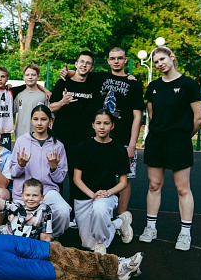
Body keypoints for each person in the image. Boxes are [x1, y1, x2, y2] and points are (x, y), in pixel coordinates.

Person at [60, 47, 144, 215]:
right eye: (112, 58)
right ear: (108, 61)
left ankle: (121, 218)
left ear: (125, 60)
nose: (116, 61)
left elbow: (137, 116)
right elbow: (80, 74)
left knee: (124, 178)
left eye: (119, 58)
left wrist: (132, 144)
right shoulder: (100, 77)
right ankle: (95, 209)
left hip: (123, 138)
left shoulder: (134, 84)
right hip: (100, 137)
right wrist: (67, 72)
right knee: (96, 174)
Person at [140, 46, 201, 251]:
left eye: (162, 59)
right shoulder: (153, 86)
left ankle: (185, 233)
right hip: (156, 141)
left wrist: (183, 137)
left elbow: (199, 117)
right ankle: (151, 228)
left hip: (179, 142)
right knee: (154, 185)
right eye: (156, 62)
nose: (159, 64)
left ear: (172, 57)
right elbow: (152, 115)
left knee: (182, 188)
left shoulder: (188, 84)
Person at [73, 110, 133, 255]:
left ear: (112, 126)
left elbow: (123, 182)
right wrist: (93, 195)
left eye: (106, 123)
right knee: (87, 244)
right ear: (93, 125)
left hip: (107, 197)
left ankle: (101, 243)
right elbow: (76, 179)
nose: (102, 127)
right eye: (98, 123)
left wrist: (107, 193)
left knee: (99, 210)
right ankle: (119, 223)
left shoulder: (119, 149)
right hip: (85, 196)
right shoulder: (83, 147)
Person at [9, 105, 71, 238]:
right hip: (24, 193)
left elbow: (60, 179)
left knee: (63, 211)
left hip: (47, 191)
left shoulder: (58, 145)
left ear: (50, 121)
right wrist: (21, 165)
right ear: (31, 120)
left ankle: (51, 238)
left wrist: (54, 168)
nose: (39, 123)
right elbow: (13, 173)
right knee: (21, 231)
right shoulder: (22, 141)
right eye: (36, 119)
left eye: (43, 119)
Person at [49, 51, 99, 204]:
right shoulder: (63, 83)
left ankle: (75, 210)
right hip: (60, 137)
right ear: (76, 64)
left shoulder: (94, 84)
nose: (84, 65)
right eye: (81, 62)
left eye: (88, 63)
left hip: (82, 139)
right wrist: (62, 102)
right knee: (56, 175)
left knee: (77, 176)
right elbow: (50, 108)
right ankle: (56, 208)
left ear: (91, 68)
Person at [0, 173, 52, 242]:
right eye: (27, 195)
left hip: (24, 244)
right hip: (4, 236)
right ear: (22, 196)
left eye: (35, 195)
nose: (31, 198)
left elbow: (45, 238)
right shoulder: (16, 207)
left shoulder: (44, 210)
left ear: (42, 197)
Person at [14, 64, 49, 138]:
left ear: (38, 77)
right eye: (27, 75)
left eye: (33, 75)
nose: (30, 77)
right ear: (24, 77)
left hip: (39, 137)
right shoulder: (19, 96)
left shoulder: (44, 96)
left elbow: (49, 118)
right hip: (21, 136)